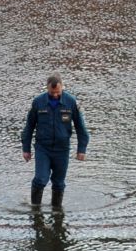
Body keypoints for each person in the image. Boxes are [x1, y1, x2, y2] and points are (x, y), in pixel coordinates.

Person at [20, 74, 89, 209]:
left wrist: (81, 150)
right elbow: (29, 127)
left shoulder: (71, 102)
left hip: (62, 150)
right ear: (47, 89)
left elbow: (81, 128)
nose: (55, 95)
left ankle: (57, 211)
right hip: (43, 148)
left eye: (58, 92)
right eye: (52, 93)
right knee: (40, 179)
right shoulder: (38, 102)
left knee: (58, 183)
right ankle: (35, 209)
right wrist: (26, 149)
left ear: (62, 87)